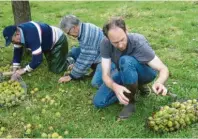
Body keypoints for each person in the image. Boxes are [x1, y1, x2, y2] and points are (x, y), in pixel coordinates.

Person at [93, 17, 169, 119]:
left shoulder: (139, 42)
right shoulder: (105, 44)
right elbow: (105, 75)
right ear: (107, 38)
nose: (120, 45)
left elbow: (163, 68)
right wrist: (115, 86)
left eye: (122, 39)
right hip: (123, 71)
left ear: (126, 31)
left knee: (125, 60)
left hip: (145, 73)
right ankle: (134, 87)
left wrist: (159, 82)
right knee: (99, 102)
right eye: (115, 42)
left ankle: (130, 103)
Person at [3, 21, 69, 78]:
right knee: (52, 61)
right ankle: (63, 56)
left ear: (17, 34)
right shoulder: (18, 34)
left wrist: (24, 70)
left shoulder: (31, 36)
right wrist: (16, 66)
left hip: (58, 40)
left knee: (57, 70)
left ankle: (70, 60)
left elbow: (38, 59)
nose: (13, 43)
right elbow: (17, 51)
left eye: (12, 41)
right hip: (46, 43)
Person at [58, 15, 104, 87]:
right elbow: (85, 52)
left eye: (68, 33)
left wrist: (72, 75)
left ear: (74, 28)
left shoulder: (87, 37)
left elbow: (86, 59)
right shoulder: (85, 27)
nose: (69, 35)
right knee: (74, 51)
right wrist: (77, 66)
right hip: (97, 52)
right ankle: (92, 68)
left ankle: (110, 72)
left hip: (105, 59)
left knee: (95, 83)